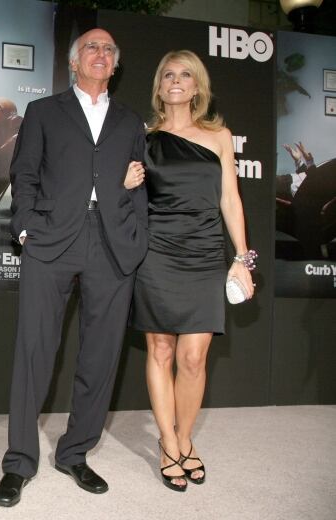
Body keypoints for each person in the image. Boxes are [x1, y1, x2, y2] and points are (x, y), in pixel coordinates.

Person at [0, 28, 147, 507]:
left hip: (112, 241)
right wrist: (25, 229)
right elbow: (24, 173)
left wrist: (135, 233)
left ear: (115, 65)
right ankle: (19, 461)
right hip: (51, 238)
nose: (100, 54)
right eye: (91, 48)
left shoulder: (130, 120)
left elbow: (138, 182)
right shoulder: (44, 111)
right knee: (34, 351)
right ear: (75, 62)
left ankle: (75, 452)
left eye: (108, 49)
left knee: (101, 354)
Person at [130, 50, 255, 492]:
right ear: (159, 87)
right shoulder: (143, 138)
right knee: (161, 351)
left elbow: (231, 200)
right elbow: (126, 198)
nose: (177, 81)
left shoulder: (219, 135)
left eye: (186, 75)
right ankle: (168, 443)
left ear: (197, 86)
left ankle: (185, 437)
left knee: (194, 357)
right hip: (157, 254)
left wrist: (242, 258)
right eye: (168, 75)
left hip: (204, 253)